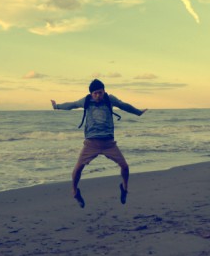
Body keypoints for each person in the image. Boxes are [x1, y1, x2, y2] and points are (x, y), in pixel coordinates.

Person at [51, 79, 147, 208]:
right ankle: (74, 192)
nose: (98, 96)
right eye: (95, 93)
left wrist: (138, 112)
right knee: (78, 168)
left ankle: (124, 188)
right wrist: (57, 106)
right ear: (91, 94)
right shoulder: (86, 101)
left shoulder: (109, 99)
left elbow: (123, 105)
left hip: (109, 143)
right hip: (91, 143)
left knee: (125, 166)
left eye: (100, 93)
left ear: (104, 91)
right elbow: (72, 105)